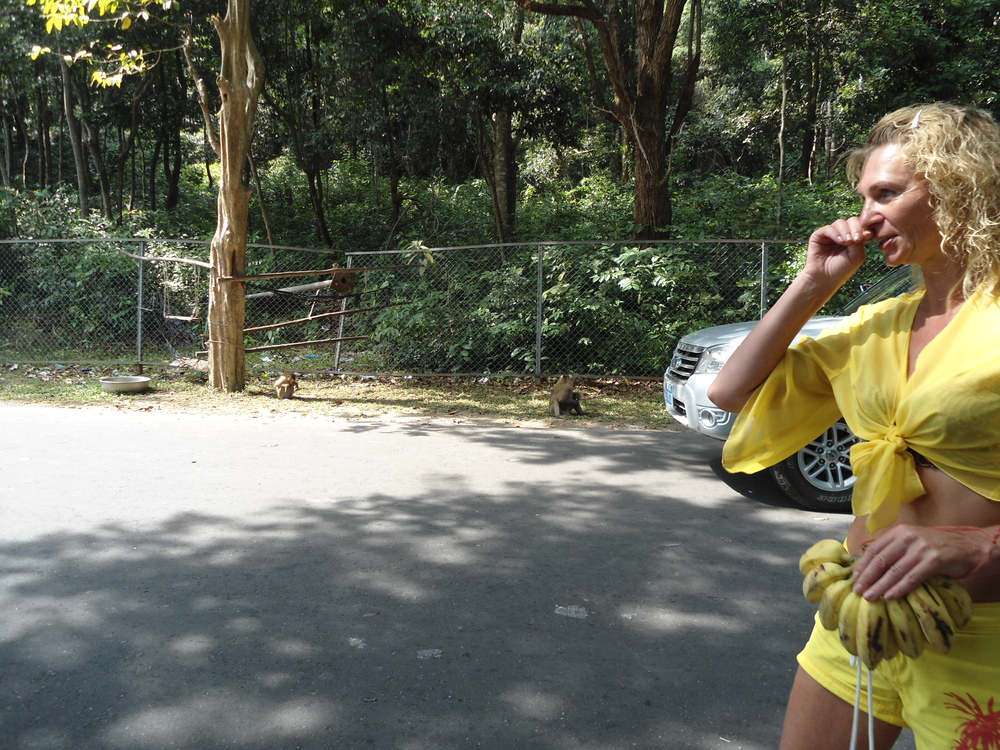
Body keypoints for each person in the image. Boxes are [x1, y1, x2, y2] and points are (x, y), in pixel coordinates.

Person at [707, 102, 1000, 749]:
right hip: (858, 614)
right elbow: (731, 392)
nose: (865, 217)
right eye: (863, 198)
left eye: (886, 194)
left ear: (958, 186)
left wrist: (981, 545)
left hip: (981, 637)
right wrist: (814, 283)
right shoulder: (877, 325)